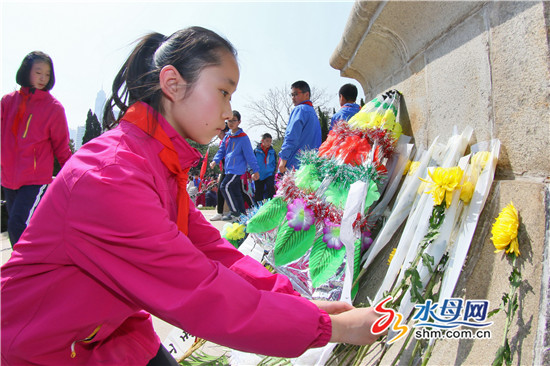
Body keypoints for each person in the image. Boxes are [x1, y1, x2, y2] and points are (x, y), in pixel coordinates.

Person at [1, 27, 381, 366]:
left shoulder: (156, 163)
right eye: (223, 91)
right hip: (33, 348)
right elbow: (200, 291)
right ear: (173, 83)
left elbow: (214, 254)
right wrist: (328, 329)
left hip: (104, 333)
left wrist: (301, 305)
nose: (229, 110)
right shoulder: (111, 175)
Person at [1, 51, 72, 247]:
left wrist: (73, 175)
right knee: (22, 226)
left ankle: (21, 269)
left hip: (35, 179)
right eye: (38, 72)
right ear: (26, 72)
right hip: (8, 178)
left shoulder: (54, 108)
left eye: (47, 74)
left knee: (17, 225)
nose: (43, 78)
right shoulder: (7, 101)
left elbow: (62, 147)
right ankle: (33, 264)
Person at [210, 110, 260, 221]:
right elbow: (221, 151)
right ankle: (243, 214)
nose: (231, 123)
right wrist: (215, 160)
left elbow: (249, 155)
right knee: (236, 191)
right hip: (228, 169)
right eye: (229, 121)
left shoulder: (243, 138)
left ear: (239, 122)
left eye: (234, 120)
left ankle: (234, 212)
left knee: (224, 186)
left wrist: (255, 170)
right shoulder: (227, 136)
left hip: (236, 169)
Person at [278, 80, 321, 173]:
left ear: (306, 94)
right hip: (311, 167)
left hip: (295, 166)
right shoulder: (313, 113)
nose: (293, 98)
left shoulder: (299, 109)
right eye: (292, 95)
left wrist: (283, 160)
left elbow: (291, 137)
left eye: (296, 94)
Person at [209, 125, 229, 221]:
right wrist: (214, 161)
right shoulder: (222, 142)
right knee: (221, 188)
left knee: (237, 190)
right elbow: (220, 153)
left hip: (235, 169)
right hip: (225, 168)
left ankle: (237, 211)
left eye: (219, 132)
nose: (218, 135)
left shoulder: (232, 140)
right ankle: (220, 212)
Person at [254, 133, 277, 201]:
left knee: (270, 189)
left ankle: (271, 206)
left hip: (269, 174)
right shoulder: (256, 151)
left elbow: (274, 162)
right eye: (267, 141)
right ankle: (258, 208)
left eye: (270, 141)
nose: (268, 143)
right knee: (259, 192)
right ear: (262, 140)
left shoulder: (272, 151)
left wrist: (273, 171)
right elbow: (251, 162)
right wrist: (252, 172)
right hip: (259, 174)